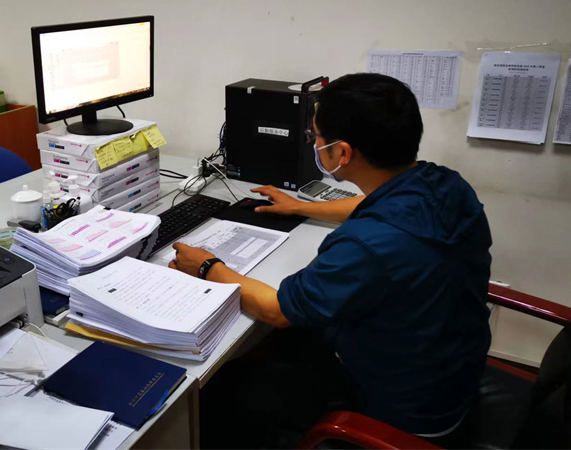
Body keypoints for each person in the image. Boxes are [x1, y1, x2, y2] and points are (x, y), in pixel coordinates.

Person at [170, 73, 493, 448]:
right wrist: (301, 207)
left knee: (220, 389)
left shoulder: (367, 245)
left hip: (401, 416)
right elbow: (372, 203)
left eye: (316, 136)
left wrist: (208, 267)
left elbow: (278, 310)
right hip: (450, 378)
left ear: (342, 154)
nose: (312, 142)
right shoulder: (445, 183)